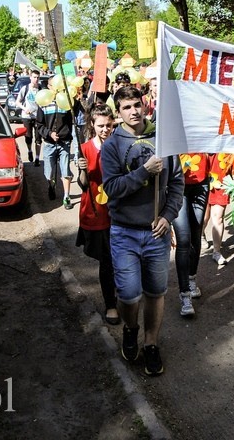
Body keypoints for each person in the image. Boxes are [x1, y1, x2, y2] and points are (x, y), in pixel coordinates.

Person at [101, 86, 184, 376]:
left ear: (144, 104)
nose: (133, 111)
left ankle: (151, 343)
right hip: (124, 232)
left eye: (136, 104)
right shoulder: (112, 145)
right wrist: (143, 172)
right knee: (129, 294)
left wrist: (168, 216)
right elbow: (112, 188)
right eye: (126, 107)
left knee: (156, 292)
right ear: (118, 112)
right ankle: (130, 328)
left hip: (157, 233)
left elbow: (177, 184)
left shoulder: (163, 139)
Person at [75, 104, 120, 325]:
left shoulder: (119, 145)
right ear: (92, 125)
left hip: (119, 211)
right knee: (107, 260)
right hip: (97, 212)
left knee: (121, 258)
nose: (105, 129)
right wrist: (83, 169)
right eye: (101, 125)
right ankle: (111, 304)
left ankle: (122, 292)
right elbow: (83, 185)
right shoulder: (84, 148)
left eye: (109, 125)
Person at [173, 152, 209, 316]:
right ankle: (185, 294)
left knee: (195, 235)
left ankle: (192, 278)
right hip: (176, 183)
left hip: (201, 181)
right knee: (183, 239)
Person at [35, 78, 75, 210]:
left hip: (64, 142)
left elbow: (74, 118)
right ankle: (51, 185)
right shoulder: (43, 103)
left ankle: (66, 197)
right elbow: (39, 125)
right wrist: (49, 133)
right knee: (49, 172)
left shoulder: (66, 101)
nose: (56, 89)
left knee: (65, 170)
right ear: (49, 86)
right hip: (49, 143)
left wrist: (77, 100)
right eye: (53, 86)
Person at [17, 70, 42, 165]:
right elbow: (17, 102)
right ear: (30, 77)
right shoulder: (25, 88)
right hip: (27, 116)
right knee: (28, 137)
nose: (36, 79)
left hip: (38, 117)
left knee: (38, 138)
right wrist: (25, 109)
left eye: (38, 77)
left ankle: (37, 158)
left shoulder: (41, 89)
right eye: (34, 77)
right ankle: (29, 150)